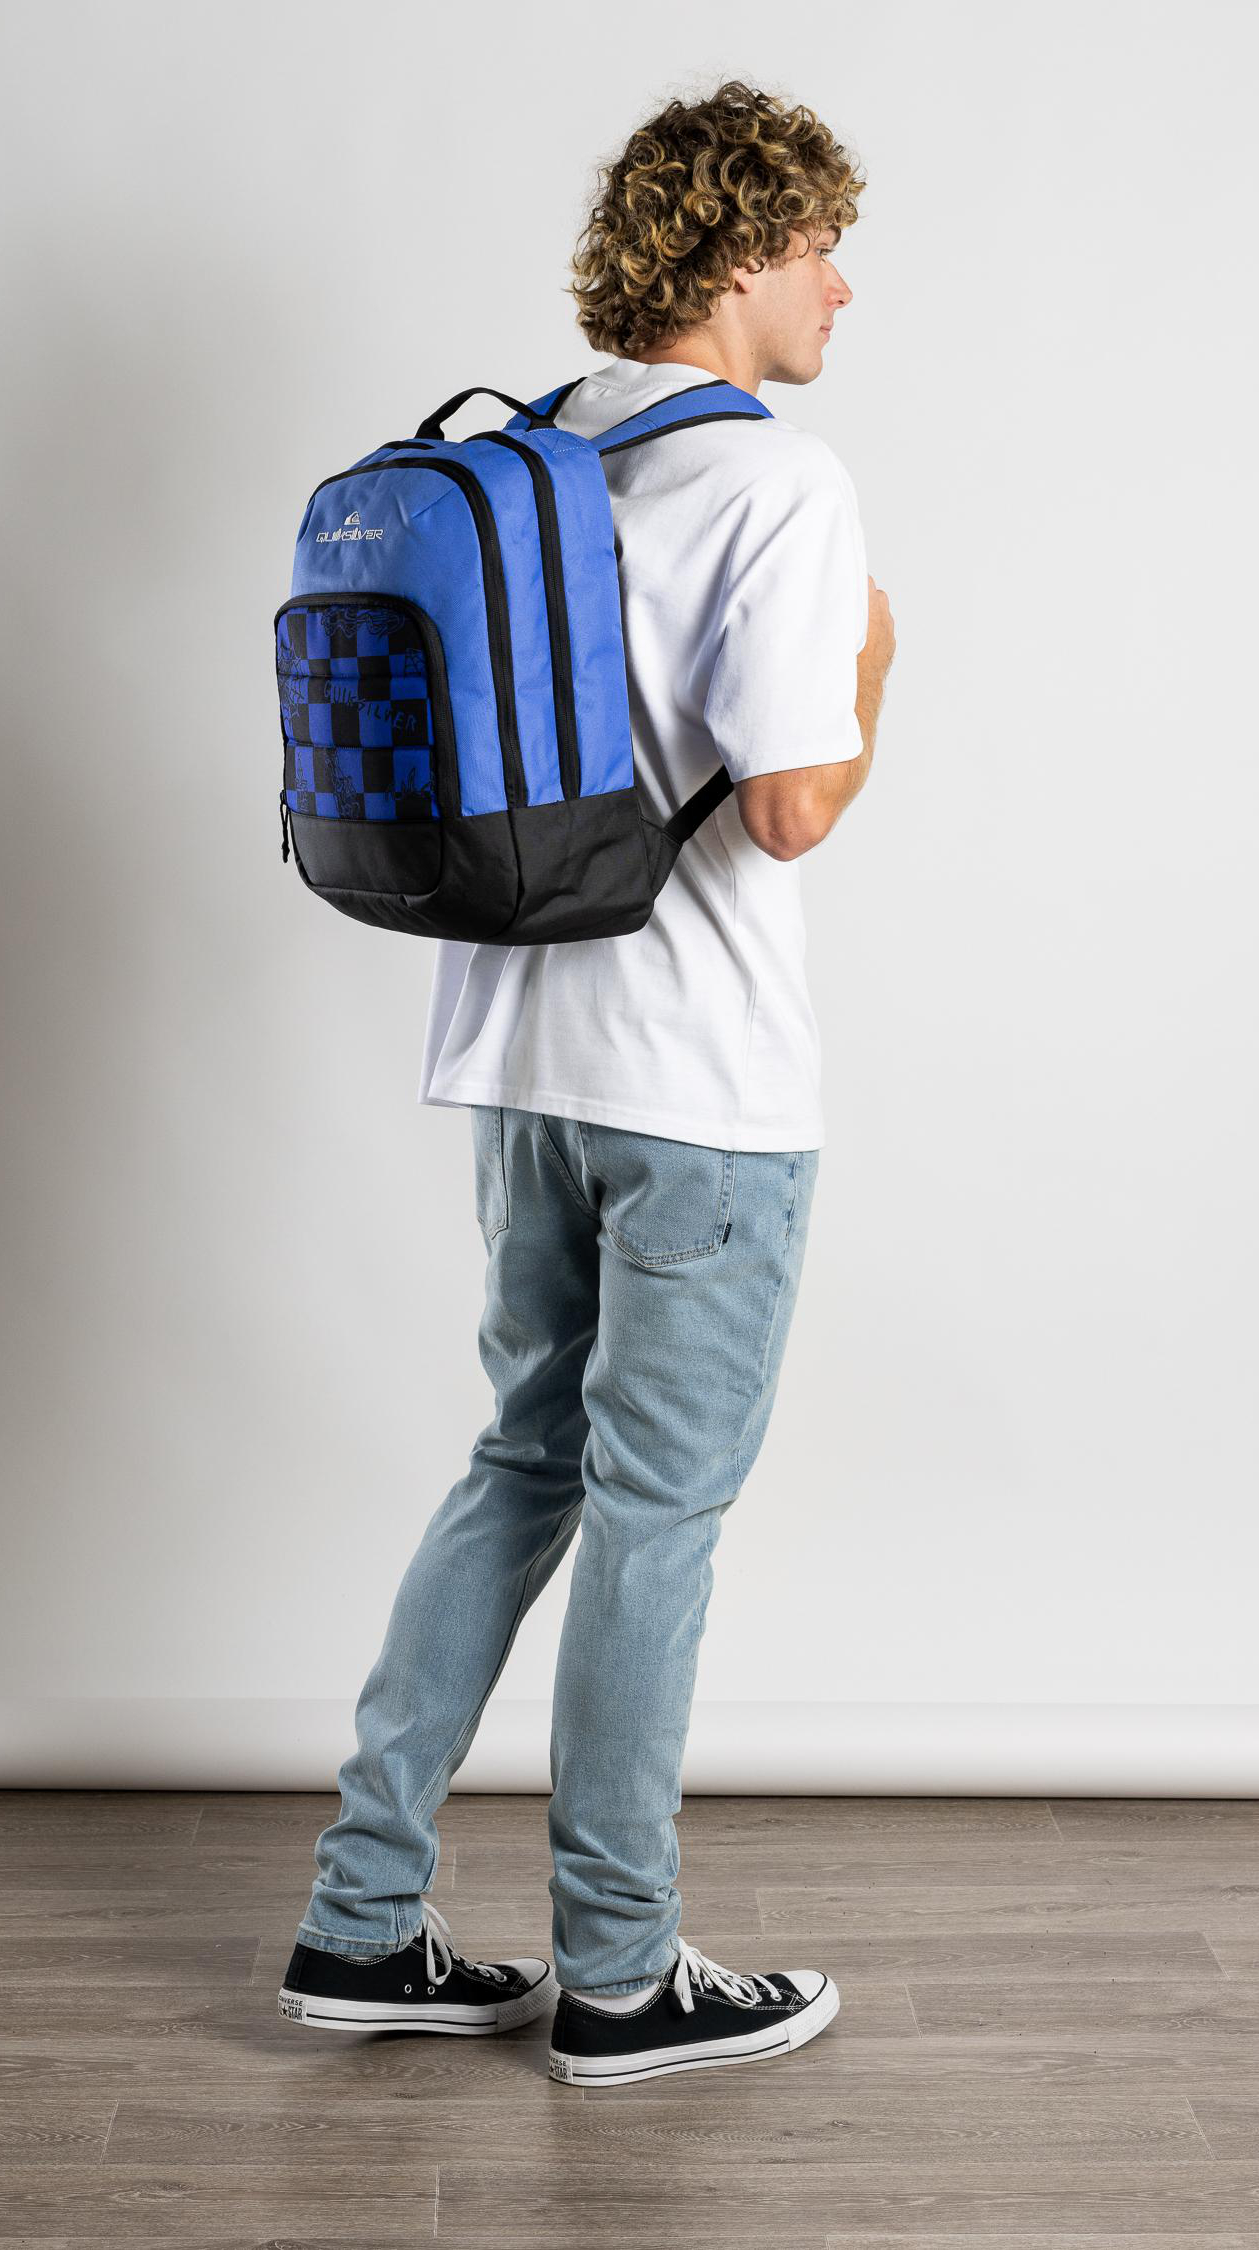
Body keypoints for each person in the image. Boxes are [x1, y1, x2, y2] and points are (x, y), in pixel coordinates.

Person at [279, 80, 895, 2088]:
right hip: (699, 1082)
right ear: (740, 257)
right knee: (657, 1517)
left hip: (517, 1059)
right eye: (821, 250)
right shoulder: (777, 483)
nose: (842, 289)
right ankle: (622, 1973)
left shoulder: (537, 451)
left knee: (522, 1463)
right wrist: (879, 660)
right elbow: (789, 806)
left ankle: (361, 1919)